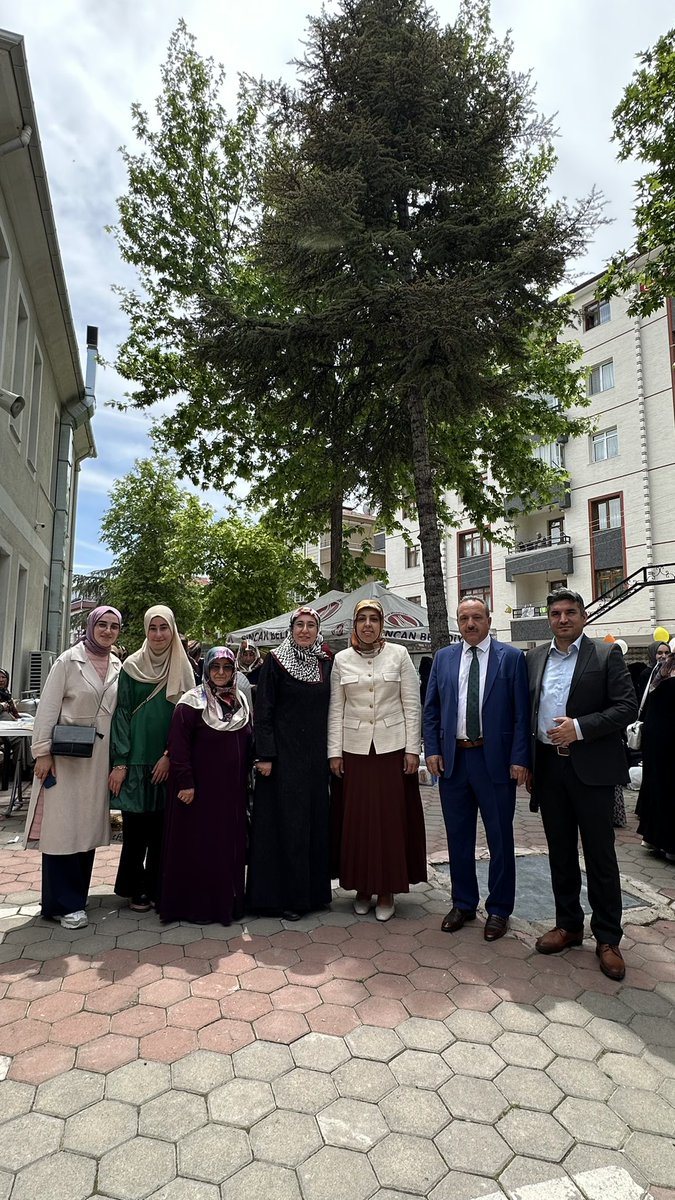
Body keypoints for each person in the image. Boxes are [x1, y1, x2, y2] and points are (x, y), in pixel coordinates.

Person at [527, 588, 637, 980]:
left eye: (570, 612)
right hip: (549, 770)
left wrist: (579, 728)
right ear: (548, 618)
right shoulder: (535, 657)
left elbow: (626, 707)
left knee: (600, 856)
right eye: (555, 613)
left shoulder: (606, 655)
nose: (562, 619)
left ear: (583, 616)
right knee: (559, 851)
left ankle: (608, 938)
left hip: (591, 770)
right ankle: (569, 925)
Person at [424, 597, 529, 941]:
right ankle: (464, 903)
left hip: (494, 761)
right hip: (454, 762)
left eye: (476, 617)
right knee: (458, 837)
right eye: (464, 618)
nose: (470, 624)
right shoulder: (444, 658)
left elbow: (520, 714)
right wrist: (433, 751)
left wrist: (519, 758)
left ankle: (499, 909)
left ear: (488, 619)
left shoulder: (511, 658)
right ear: (457, 621)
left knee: (500, 838)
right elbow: (432, 710)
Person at [23, 608, 122, 928]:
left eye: (114, 626)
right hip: (65, 758)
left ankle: (77, 896)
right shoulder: (68, 660)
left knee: (85, 829)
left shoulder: (118, 665)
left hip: (97, 759)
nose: (107, 631)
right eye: (102, 625)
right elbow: (48, 707)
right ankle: (61, 904)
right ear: (91, 627)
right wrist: (42, 753)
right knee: (61, 829)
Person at [328, 599, 426, 922]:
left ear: (382, 624)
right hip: (354, 752)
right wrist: (334, 752)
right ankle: (361, 887)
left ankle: (387, 889)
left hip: (392, 750)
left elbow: (412, 704)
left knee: (389, 820)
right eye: (362, 619)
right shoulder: (341, 660)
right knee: (357, 821)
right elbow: (336, 709)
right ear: (354, 625)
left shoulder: (399, 655)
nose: (368, 625)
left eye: (374, 619)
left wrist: (413, 749)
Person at [246, 606, 332, 920]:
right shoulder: (275, 662)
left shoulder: (326, 662)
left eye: (311, 625)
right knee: (286, 827)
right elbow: (264, 711)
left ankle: (313, 894)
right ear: (291, 629)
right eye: (300, 625)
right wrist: (265, 755)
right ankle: (283, 898)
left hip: (314, 760)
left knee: (312, 825)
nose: (305, 631)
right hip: (281, 761)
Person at [110, 605, 195, 912]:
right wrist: (121, 762)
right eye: (153, 628)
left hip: (167, 761)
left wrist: (171, 757)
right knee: (135, 832)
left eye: (164, 628)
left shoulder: (184, 668)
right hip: (135, 761)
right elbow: (121, 714)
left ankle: (159, 885)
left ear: (173, 630)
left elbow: (188, 721)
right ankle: (135, 888)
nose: (158, 634)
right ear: (146, 631)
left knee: (162, 830)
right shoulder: (131, 666)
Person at [158, 647, 252, 924]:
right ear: (206, 669)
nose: (221, 673)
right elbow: (178, 746)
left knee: (225, 847)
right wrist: (186, 783)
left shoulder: (241, 701)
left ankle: (225, 904)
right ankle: (195, 907)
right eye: (215, 667)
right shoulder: (190, 703)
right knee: (199, 847)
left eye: (226, 667)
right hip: (197, 793)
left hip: (230, 792)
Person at [636, 648, 675, 859]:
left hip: (655, 738)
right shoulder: (663, 672)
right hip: (667, 740)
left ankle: (654, 839)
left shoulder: (660, 671)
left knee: (657, 787)